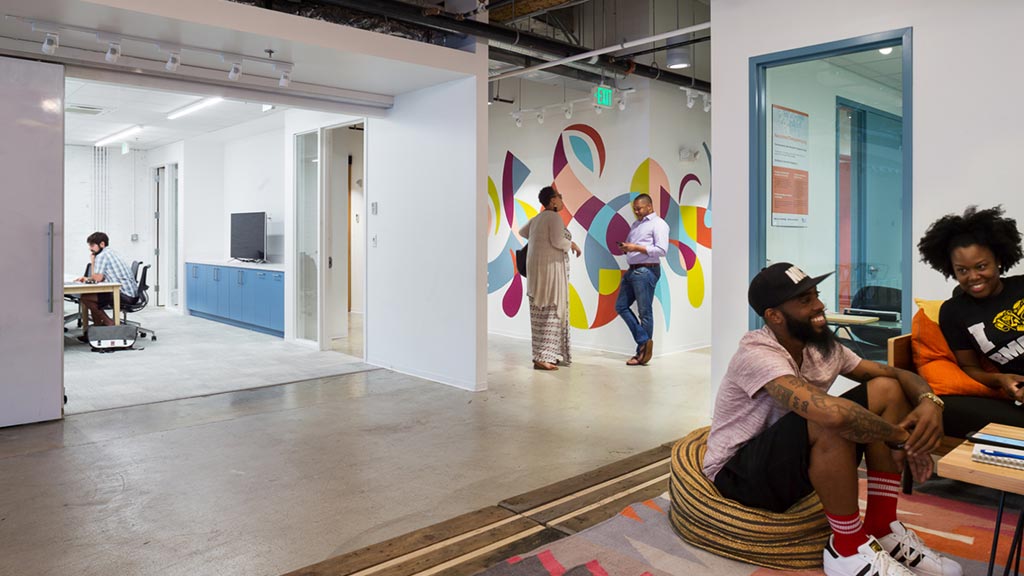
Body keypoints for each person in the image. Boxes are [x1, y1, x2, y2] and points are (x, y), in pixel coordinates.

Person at [704, 262, 960, 576]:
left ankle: (882, 526)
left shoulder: (820, 346)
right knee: (829, 416)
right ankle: (846, 550)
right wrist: (903, 439)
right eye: (804, 300)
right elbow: (829, 414)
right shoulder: (757, 354)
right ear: (774, 316)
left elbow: (893, 374)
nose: (819, 305)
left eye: (816, 295)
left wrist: (931, 402)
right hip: (737, 475)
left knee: (887, 391)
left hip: (787, 462)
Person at [918, 206, 1024, 409]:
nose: (973, 277)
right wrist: (1000, 380)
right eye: (962, 270)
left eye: (981, 266)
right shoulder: (953, 312)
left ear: (998, 261)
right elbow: (969, 367)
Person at [519, 186, 581, 370]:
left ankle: (541, 355)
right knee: (552, 312)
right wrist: (573, 245)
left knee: (539, 314)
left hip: (536, 272)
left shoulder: (537, 218)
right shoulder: (553, 217)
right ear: (553, 200)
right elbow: (557, 241)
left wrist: (539, 239)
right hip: (550, 272)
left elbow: (523, 232)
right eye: (559, 197)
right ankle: (545, 356)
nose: (562, 200)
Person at [615, 193, 669, 366]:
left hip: (646, 270)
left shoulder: (659, 224)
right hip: (632, 271)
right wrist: (627, 249)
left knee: (644, 312)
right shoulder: (635, 225)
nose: (636, 211)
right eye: (635, 208)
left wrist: (635, 247)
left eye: (639, 208)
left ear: (650, 207)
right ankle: (644, 340)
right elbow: (635, 247)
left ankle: (642, 354)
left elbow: (662, 250)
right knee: (621, 306)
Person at [74, 232, 138, 338]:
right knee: (92, 296)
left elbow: (97, 278)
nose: (90, 248)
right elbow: (101, 277)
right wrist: (87, 278)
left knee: (86, 298)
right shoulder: (110, 252)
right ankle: (97, 331)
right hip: (129, 292)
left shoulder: (102, 255)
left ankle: (108, 323)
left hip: (123, 294)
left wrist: (93, 261)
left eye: (92, 245)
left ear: (102, 244)